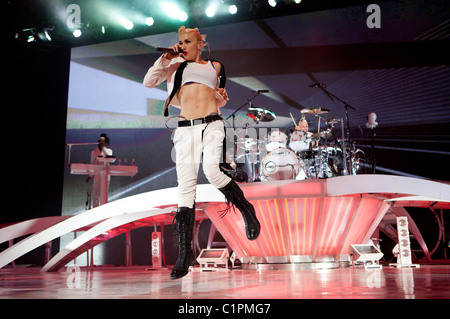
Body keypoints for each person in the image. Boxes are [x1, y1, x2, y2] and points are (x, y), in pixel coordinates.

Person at [143, 26, 260, 280]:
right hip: (185, 129)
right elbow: (148, 81)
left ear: (200, 44)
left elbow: (215, 97)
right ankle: (185, 255)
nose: (182, 45)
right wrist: (165, 58)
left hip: (212, 124)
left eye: (187, 41)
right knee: (185, 187)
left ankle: (247, 210)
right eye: (179, 41)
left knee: (212, 171)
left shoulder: (215, 67)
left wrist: (222, 98)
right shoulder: (173, 64)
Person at [87, 133, 113, 207]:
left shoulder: (109, 151)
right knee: (95, 193)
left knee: (104, 193)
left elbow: (109, 158)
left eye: (102, 141)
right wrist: (90, 175)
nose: (100, 143)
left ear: (105, 143)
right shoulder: (94, 152)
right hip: (97, 174)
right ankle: (95, 208)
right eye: (99, 141)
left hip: (105, 174)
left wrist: (103, 148)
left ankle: (103, 209)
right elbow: (91, 164)